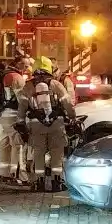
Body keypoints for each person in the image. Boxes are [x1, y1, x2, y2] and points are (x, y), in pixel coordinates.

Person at [17, 56, 76, 191]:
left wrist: (20, 122)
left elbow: (22, 107)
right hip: (57, 125)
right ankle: (57, 183)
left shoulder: (28, 86)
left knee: (38, 153)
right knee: (57, 153)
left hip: (36, 125)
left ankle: (39, 182)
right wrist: (72, 117)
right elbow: (67, 103)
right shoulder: (56, 84)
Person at [0, 54, 30, 183]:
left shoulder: (3, 74)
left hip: (1, 114)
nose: (26, 68)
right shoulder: (17, 77)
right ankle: (19, 175)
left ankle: (4, 173)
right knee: (18, 144)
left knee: (3, 143)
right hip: (13, 114)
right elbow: (22, 100)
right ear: (18, 64)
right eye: (25, 65)